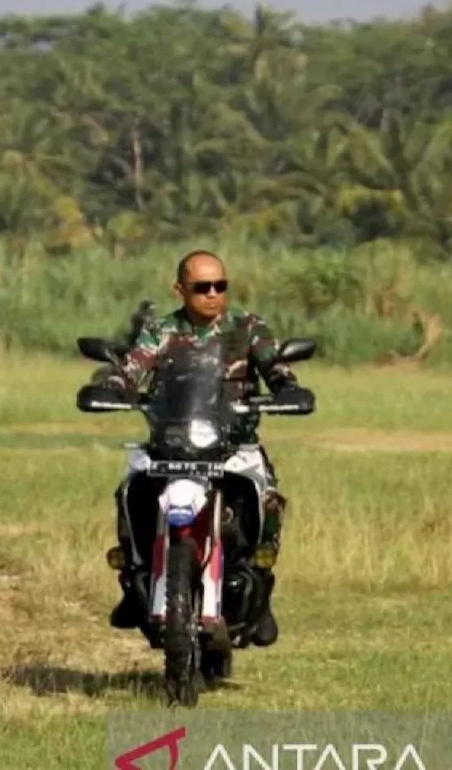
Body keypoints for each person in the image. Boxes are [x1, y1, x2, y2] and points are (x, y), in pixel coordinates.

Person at [91, 250, 314, 647]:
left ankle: (260, 587)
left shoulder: (247, 327)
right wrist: (114, 386)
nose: (213, 294)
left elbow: (275, 366)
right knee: (130, 490)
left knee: (270, 500)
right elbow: (134, 366)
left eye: (220, 286)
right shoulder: (161, 330)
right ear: (180, 290)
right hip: (171, 442)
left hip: (233, 443)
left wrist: (288, 387)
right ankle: (133, 579)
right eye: (201, 287)